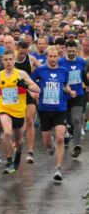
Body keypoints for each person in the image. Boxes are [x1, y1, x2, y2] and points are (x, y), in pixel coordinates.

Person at [0, 50, 39, 174]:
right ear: (2, 61)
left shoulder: (21, 74)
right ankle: (9, 161)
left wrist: (25, 86)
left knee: (20, 141)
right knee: (7, 133)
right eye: (5, 60)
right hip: (4, 108)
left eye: (10, 59)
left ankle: (19, 153)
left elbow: (37, 89)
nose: (8, 62)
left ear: (14, 60)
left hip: (19, 111)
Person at [31, 47, 76, 181]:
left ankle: (58, 168)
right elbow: (31, 83)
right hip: (44, 110)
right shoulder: (40, 70)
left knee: (60, 138)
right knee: (47, 144)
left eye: (55, 56)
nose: (52, 59)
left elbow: (65, 85)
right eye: (50, 56)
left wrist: (70, 91)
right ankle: (50, 145)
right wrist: (33, 93)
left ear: (58, 57)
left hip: (60, 109)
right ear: (47, 57)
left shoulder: (64, 71)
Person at [58, 40, 87, 157]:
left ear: (77, 51)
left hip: (78, 95)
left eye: (73, 51)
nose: (71, 53)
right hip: (64, 96)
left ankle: (77, 146)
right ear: (65, 50)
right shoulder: (60, 62)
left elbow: (83, 77)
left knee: (76, 119)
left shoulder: (81, 62)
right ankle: (66, 134)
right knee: (65, 122)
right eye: (69, 51)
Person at [15, 41, 40, 163]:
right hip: (15, 94)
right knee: (17, 123)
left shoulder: (31, 59)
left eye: (25, 53)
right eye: (21, 53)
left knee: (29, 120)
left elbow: (42, 70)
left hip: (28, 91)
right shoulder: (10, 60)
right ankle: (16, 147)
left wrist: (35, 88)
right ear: (17, 49)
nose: (23, 55)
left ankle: (30, 152)